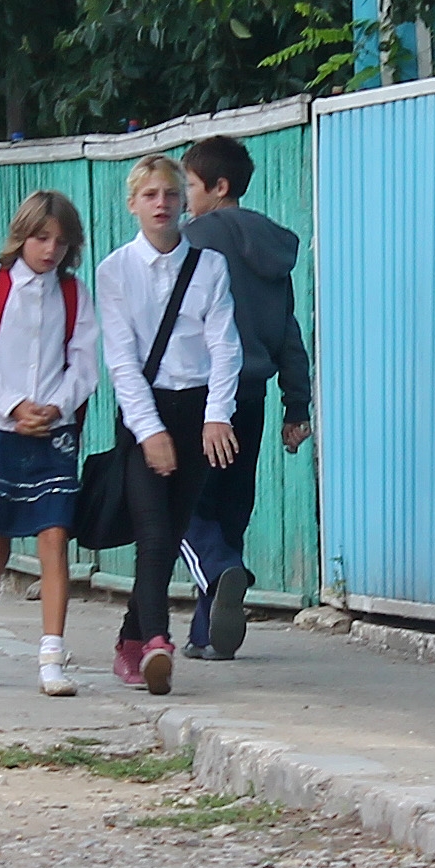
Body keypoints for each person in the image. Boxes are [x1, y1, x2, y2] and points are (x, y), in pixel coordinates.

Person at [97, 153, 240, 695]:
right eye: (151, 195)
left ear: (184, 202)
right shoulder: (115, 271)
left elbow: (224, 347)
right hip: (144, 411)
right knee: (153, 531)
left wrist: (216, 416)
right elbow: (122, 360)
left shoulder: (209, 267)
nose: (162, 204)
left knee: (174, 528)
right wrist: (148, 430)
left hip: (198, 411)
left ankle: (131, 642)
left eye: (171, 194)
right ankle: (157, 641)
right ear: (133, 204)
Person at [0, 190, 99, 697]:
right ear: (21, 236)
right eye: (41, 237)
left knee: (54, 537)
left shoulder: (75, 294)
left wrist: (55, 407)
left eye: (61, 241)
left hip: (53, 435)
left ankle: (52, 658)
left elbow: (85, 364)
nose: (50, 250)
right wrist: (15, 406)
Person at [178, 134, 313, 660]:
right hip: (252, 397)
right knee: (230, 508)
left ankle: (218, 571)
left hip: (202, 396)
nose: (185, 197)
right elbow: (288, 333)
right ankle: (206, 634)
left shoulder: (193, 240)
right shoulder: (274, 248)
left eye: (190, 185)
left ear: (219, 186)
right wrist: (296, 406)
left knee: (184, 506)